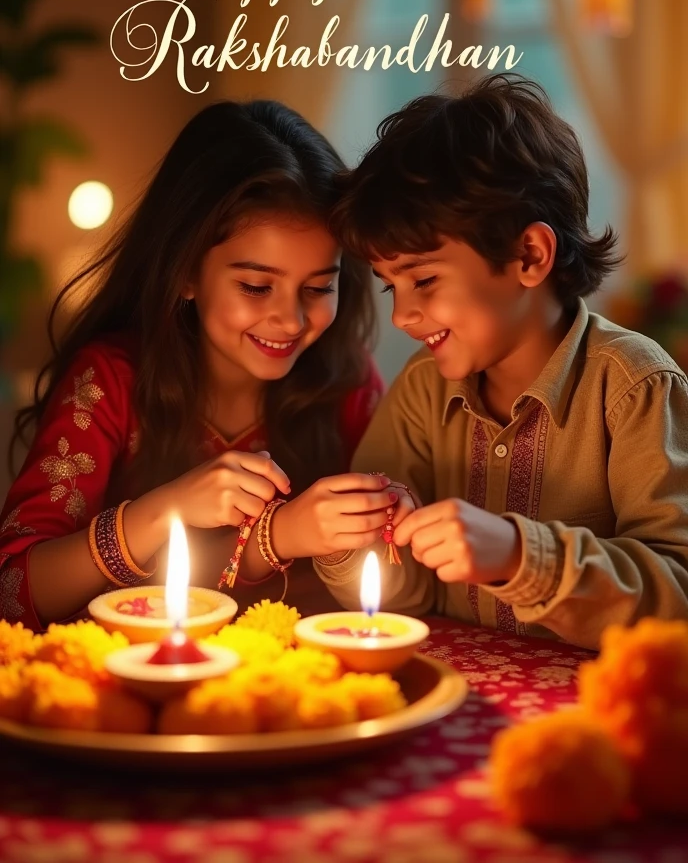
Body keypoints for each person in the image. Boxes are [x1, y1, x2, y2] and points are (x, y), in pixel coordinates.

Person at [314, 74, 688, 650]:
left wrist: (520, 555)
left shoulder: (634, 386)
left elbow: (678, 598)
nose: (403, 317)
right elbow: (400, 595)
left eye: (425, 279)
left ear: (528, 255)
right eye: (392, 287)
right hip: (456, 712)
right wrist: (353, 539)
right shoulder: (421, 392)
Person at [0, 99, 398, 630]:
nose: (290, 320)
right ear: (185, 271)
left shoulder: (344, 382)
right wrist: (165, 510)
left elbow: (386, 582)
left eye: (318, 287)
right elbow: (13, 591)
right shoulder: (110, 381)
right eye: (256, 287)